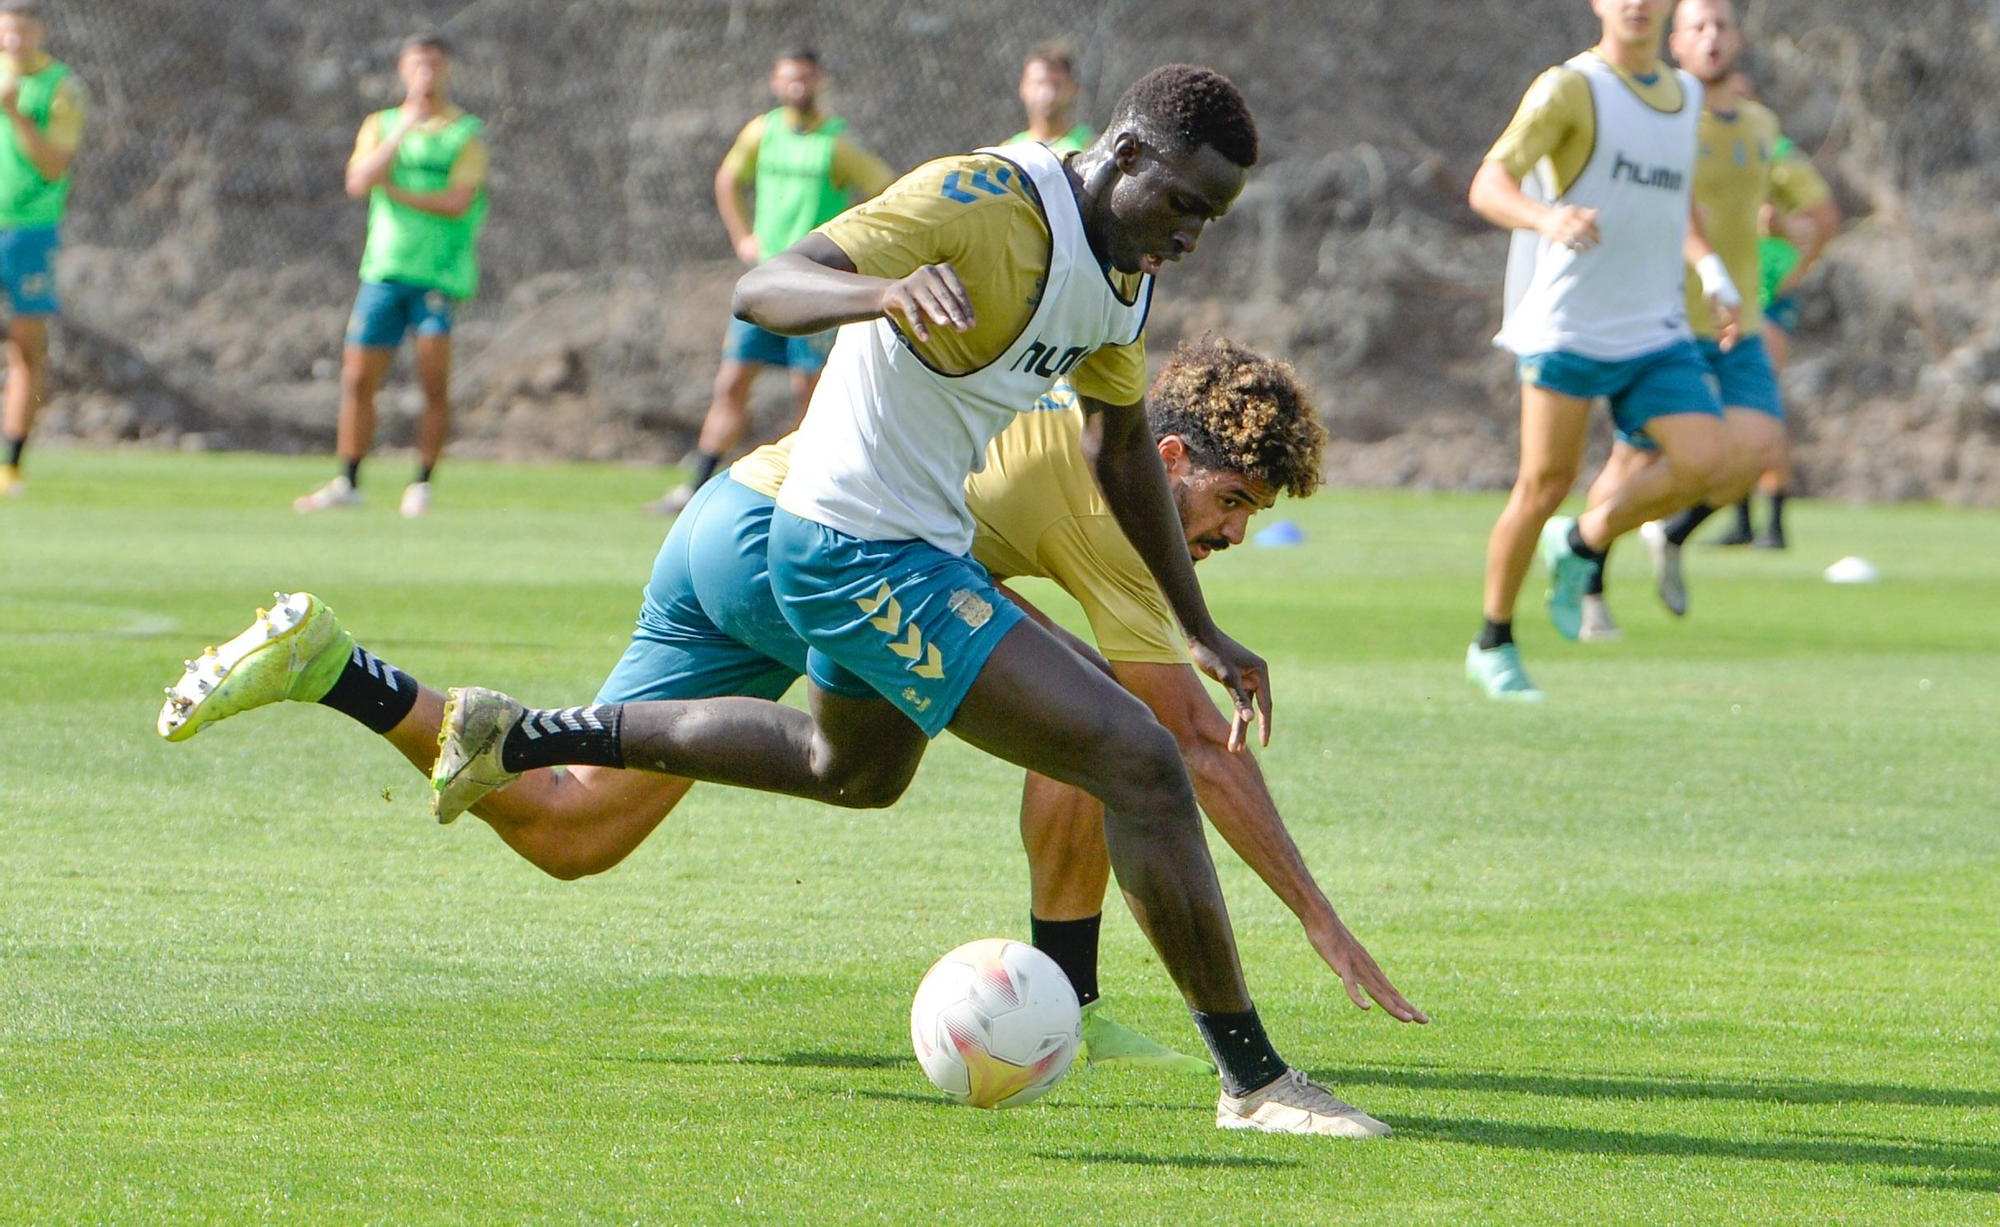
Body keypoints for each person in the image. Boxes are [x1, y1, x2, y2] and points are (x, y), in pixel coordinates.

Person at [167, 65, 1423, 1137]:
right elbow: (764, 285)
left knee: (843, 771)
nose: (1189, 234)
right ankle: (1251, 1078)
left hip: (881, 544)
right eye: (1183, 203)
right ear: (1126, 151)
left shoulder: (1124, 279)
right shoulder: (981, 197)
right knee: (1135, 757)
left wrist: (1200, 626)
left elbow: (1112, 447)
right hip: (843, 543)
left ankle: (520, 731)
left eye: (1209, 219)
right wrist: (873, 293)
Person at [161, 336, 1418, 1084]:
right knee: (998, 745)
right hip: (813, 556)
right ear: (1176, 456)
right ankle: (1102, 1013)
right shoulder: (1115, 502)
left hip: (733, 518)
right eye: (1234, 500)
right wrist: (1323, 922)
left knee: (569, 833)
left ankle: (337, 668)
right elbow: (1190, 745)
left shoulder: (1069, 424)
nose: (1236, 534)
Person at [1462, 0, 1739, 698]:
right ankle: (1493, 640)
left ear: (1668, 2)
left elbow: (1672, 198)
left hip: (1652, 324)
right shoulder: (1570, 88)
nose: (1639, 0)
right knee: (1543, 482)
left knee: (1707, 460)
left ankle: (1583, 541)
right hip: (1570, 323)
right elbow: (1490, 184)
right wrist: (1546, 218)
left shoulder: (1685, 96)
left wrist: (1710, 271)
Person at [1575, 0, 1839, 636]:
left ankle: (1669, 531)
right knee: (1632, 462)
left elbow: (1820, 212)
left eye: (1723, 24)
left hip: (1738, 323)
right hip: (1661, 320)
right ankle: (1590, 581)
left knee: (1756, 448)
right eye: (1698, 25)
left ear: (1737, 38)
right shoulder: (1659, 119)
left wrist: (1787, 265)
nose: (1712, 36)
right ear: (1677, 41)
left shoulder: (1758, 126)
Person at [649, 46, 894, 515]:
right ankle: (695, 485)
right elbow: (728, 179)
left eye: (805, 78)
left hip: (814, 285)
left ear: (820, 80)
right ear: (775, 82)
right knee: (732, 380)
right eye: (788, 78)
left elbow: (884, 189)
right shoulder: (763, 131)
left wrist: (852, 252)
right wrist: (744, 237)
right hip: (766, 280)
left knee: (811, 389)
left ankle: (810, 486)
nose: (796, 86)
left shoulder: (837, 142)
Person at [296, 32, 488, 518]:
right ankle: (349, 479)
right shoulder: (381, 125)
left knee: (432, 380)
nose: (426, 74)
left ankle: (421, 482)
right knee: (358, 378)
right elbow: (359, 180)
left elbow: (456, 201)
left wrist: (398, 192)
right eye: (417, 64)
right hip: (384, 270)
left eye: (435, 65)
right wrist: (403, 131)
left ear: (447, 70)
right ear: (403, 70)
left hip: (438, 275)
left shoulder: (463, 132)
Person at [1710, 134, 1839, 549]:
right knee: (1733, 406)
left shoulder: (1772, 152)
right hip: (1727, 294)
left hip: (1766, 296)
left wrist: (1794, 260)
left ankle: (1775, 523)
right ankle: (1743, 520)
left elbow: (1819, 221)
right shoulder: (1710, 151)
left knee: (1759, 403)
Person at [0, 0, 85, 499]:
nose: (13, 39)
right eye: (6, 30)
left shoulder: (61, 87)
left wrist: (17, 115)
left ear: (40, 32)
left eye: (23, 30)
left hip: (30, 229)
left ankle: (11, 462)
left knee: (27, 344)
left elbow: (55, 163)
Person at [1010, 44, 1095, 154]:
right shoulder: (1009, 152)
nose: (1048, 93)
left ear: (1073, 88)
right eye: (1039, 83)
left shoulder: (1091, 147)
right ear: (1023, 87)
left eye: (1057, 85)